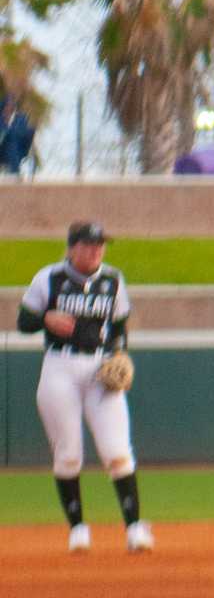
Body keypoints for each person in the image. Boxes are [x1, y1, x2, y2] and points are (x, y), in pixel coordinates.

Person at [16, 221, 152, 553]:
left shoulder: (112, 280)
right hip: (59, 367)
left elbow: (119, 325)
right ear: (72, 247)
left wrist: (119, 353)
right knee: (68, 455)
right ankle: (78, 529)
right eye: (89, 244)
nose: (96, 250)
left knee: (117, 451)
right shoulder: (49, 278)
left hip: (99, 370)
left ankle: (135, 528)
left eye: (100, 244)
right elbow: (24, 322)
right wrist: (46, 318)